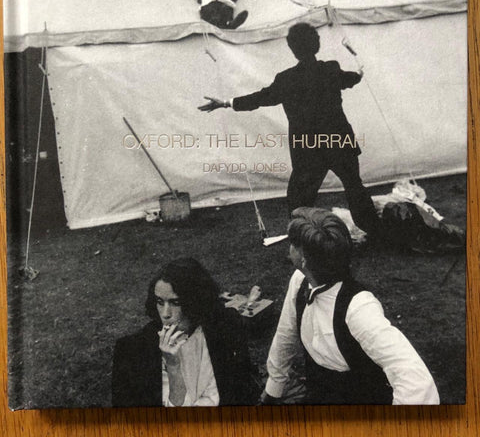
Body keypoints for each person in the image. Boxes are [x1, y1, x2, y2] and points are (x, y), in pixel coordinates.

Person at [199, 22, 380, 240]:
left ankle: (302, 240)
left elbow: (260, 98)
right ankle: (377, 231)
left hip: (308, 147)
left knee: (299, 199)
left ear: (292, 49)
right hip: (339, 140)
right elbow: (349, 79)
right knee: (355, 188)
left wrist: (226, 103)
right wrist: (359, 75)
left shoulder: (286, 79)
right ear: (317, 45)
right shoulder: (330, 69)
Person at [260, 208, 440, 405]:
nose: (289, 247)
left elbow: (417, 381)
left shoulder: (359, 308)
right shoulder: (300, 280)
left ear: (304, 258)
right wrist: (273, 389)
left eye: (293, 244)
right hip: (319, 392)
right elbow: (286, 333)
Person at [111, 258, 256, 407]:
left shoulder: (226, 326)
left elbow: (241, 389)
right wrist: (173, 366)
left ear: (195, 302)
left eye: (176, 302)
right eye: (160, 302)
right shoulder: (131, 351)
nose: (166, 314)